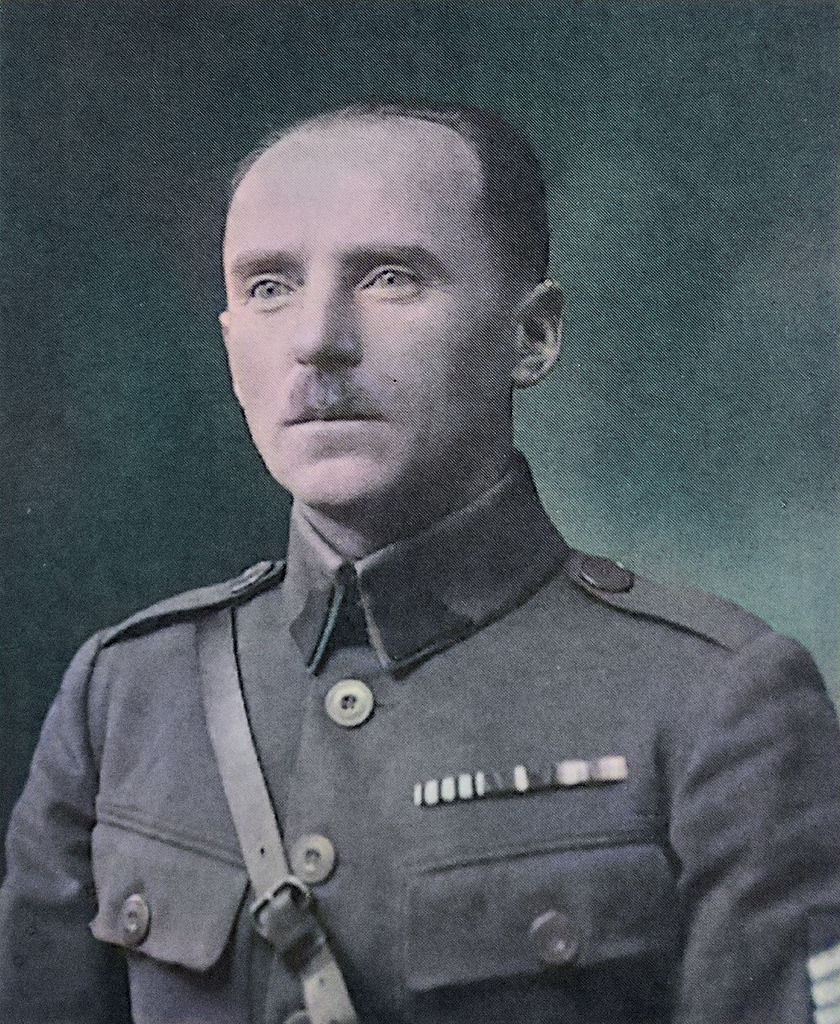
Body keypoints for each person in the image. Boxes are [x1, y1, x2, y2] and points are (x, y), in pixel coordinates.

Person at [1, 100, 838, 1024]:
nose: (318, 339)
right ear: (233, 349)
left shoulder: (714, 704)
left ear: (532, 336)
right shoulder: (124, 696)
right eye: (270, 287)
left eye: (390, 278)